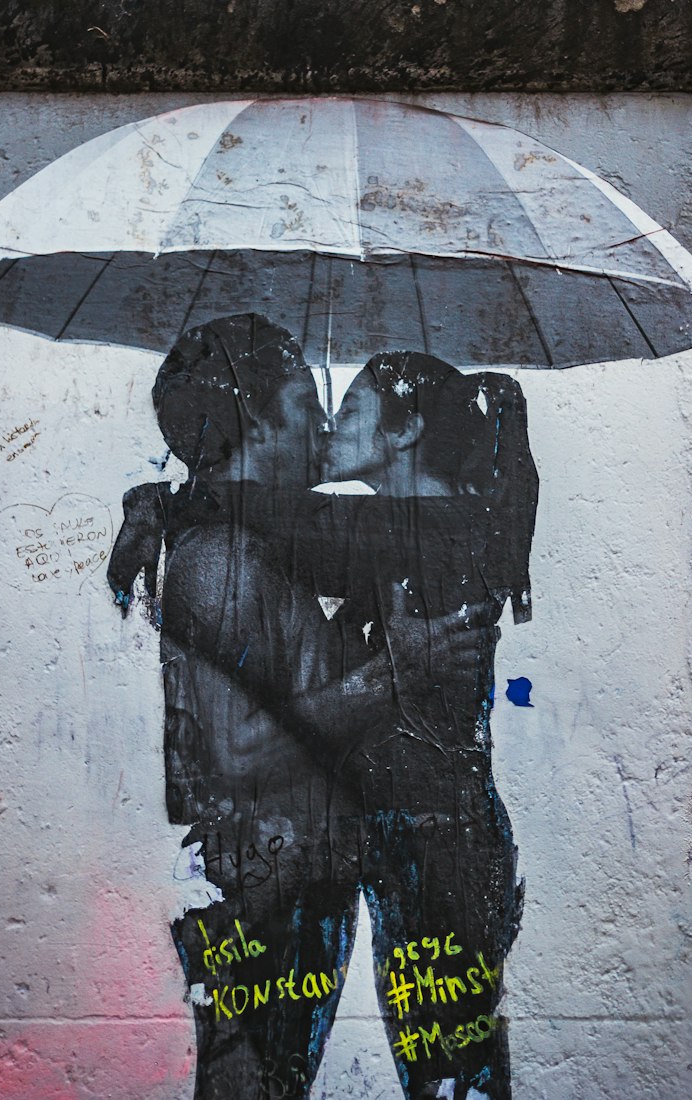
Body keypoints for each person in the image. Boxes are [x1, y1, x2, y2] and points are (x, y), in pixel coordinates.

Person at [109, 315, 486, 1100]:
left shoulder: (257, 539)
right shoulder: (218, 564)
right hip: (259, 893)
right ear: (258, 420)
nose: (321, 423)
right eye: (304, 404)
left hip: (300, 881)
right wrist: (393, 674)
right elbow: (240, 753)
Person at [282, 352, 537, 1099]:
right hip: (423, 832)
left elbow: (282, 522)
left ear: (406, 432)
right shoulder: (427, 528)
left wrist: (170, 501)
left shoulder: (434, 527)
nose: (333, 426)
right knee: (451, 1072)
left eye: (353, 410)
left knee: (453, 1076)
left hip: (439, 841)